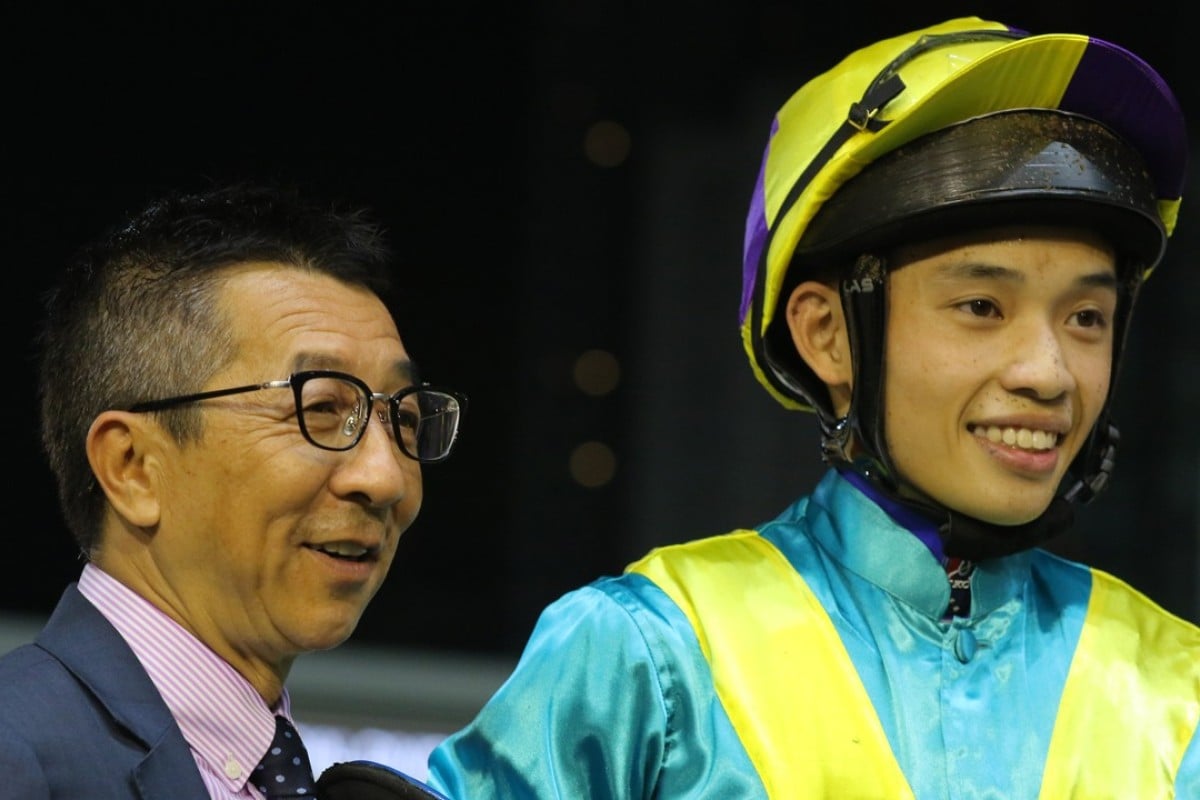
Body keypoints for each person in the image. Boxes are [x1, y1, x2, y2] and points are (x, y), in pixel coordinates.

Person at [426, 16, 1200, 798]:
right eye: (980, 306)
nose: (1049, 372)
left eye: (1087, 319)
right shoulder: (648, 655)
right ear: (827, 334)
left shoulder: (1181, 694)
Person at [0, 181, 462, 799]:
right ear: (132, 465)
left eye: (402, 418)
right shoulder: (18, 761)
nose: (385, 478)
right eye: (321, 408)